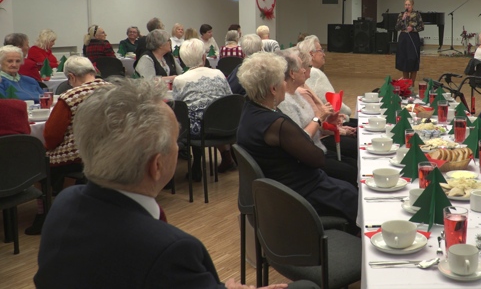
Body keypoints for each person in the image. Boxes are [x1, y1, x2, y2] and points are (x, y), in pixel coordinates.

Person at [34, 77, 292, 289]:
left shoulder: (65, 204)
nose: (178, 149)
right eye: (176, 143)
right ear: (156, 166)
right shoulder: (169, 250)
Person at [236, 52, 358, 225]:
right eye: (282, 81)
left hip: (277, 188)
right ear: (273, 89)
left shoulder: (250, 109)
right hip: (295, 194)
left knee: (348, 185)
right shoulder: (276, 124)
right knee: (352, 195)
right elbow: (317, 158)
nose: (285, 84)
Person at [25, 56, 112, 235]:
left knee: (38, 163)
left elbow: (51, 135)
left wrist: (48, 147)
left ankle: (44, 215)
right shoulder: (114, 90)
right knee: (67, 165)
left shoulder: (71, 96)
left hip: (80, 154)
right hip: (110, 150)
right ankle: (71, 206)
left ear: (71, 77)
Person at [276, 49, 357, 185]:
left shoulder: (296, 94)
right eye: (301, 67)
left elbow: (314, 126)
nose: (304, 70)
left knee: (354, 165)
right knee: (351, 172)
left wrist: (328, 122)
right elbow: (301, 139)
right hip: (308, 159)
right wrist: (319, 118)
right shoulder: (285, 101)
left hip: (317, 149)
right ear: (292, 74)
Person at [174, 38, 234, 178]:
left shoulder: (180, 79)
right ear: (203, 57)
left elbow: (178, 108)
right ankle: (226, 156)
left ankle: (195, 166)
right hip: (224, 126)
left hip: (198, 131)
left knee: (189, 118)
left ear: (183, 60)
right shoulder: (218, 73)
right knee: (208, 114)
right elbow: (230, 98)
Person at [299, 35, 352, 118]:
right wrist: (349, 111)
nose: (324, 54)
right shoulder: (315, 74)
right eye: (321, 51)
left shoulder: (301, 72)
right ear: (311, 54)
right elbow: (337, 106)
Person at [394, 0, 424, 87]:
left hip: (413, 38)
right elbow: (397, 28)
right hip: (403, 38)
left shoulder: (417, 14)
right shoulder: (401, 15)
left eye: (409, 5)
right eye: (406, 5)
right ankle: (406, 84)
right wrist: (403, 19)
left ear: (412, 5)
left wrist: (413, 29)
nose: (407, 6)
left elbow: (422, 27)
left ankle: (412, 83)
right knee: (404, 60)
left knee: (413, 60)